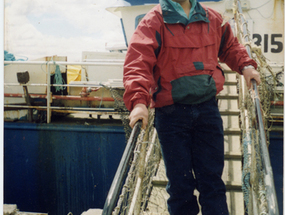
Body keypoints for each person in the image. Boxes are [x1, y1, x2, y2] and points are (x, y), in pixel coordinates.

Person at [123, 0, 261, 214]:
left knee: (212, 182)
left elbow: (230, 47)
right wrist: (139, 103)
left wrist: (246, 65)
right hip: (171, 116)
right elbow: (138, 64)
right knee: (180, 185)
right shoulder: (153, 21)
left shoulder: (213, 18)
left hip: (207, 112)